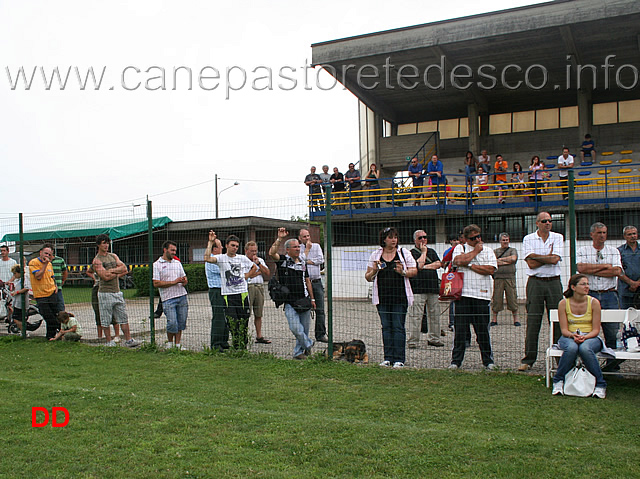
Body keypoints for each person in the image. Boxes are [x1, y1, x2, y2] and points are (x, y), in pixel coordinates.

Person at [365, 227, 417, 368]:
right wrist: (374, 270)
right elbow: (368, 277)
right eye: (390, 237)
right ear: (383, 239)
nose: (393, 240)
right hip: (382, 298)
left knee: (398, 327)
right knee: (386, 327)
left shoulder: (403, 253)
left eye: (395, 237)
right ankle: (388, 358)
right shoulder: (376, 255)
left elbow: (414, 270)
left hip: (399, 297)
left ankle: (399, 359)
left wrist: (403, 272)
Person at [518, 212, 563, 371]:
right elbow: (530, 264)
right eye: (544, 221)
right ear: (537, 223)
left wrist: (537, 257)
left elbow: (555, 259)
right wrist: (548, 257)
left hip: (553, 282)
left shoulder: (557, 237)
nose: (548, 223)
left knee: (557, 321)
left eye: (550, 221)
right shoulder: (528, 239)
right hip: (535, 282)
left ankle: (559, 358)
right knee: (533, 321)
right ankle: (529, 359)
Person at [449, 225, 497, 370]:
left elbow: (490, 269)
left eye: (478, 236)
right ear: (465, 239)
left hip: (482, 295)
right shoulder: (460, 248)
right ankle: (456, 361)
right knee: (460, 330)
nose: (477, 240)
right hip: (463, 295)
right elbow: (457, 261)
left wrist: (469, 265)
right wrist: (475, 252)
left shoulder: (488, 251)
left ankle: (488, 360)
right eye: (473, 238)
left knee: (482, 330)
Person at [552, 274, 606, 399]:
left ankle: (600, 384)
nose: (587, 286)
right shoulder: (563, 303)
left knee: (584, 348)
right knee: (571, 348)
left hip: (590, 337)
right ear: (573, 287)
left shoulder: (594, 302)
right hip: (570, 336)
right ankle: (558, 381)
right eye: (583, 284)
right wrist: (573, 336)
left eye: (587, 284)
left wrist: (585, 338)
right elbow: (564, 330)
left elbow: (596, 330)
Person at [204, 231, 258, 350]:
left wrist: (247, 276)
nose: (235, 248)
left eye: (237, 246)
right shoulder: (221, 258)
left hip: (241, 293)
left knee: (243, 320)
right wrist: (210, 242)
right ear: (227, 245)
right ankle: (227, 345)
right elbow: (207, 258)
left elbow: (254, 267)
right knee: (231, 321)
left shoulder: (242, 258)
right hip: (227, 294)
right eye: (232, 245)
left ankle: (241, 346)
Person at [269, 227, 316, 360]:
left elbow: (307, 281)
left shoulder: (302, 262)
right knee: (296, 328)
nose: (297, 249)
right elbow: (272, 253)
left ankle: (299, 353)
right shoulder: (283, 261)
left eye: (298, 247)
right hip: (290, 302)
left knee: (305, 329)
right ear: (288, 249)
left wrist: (312, 299)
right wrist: (279, 238)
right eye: (294, 247)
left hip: (304, 300)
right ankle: (308, 344)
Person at [576, 222, 622, 356]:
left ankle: (612, 365)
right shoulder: (583, 251)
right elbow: (581, 269)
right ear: (592, 234)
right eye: (599, 233)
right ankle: (588, 363)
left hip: (609, 294)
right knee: (586, 329)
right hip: (589, 295)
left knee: (612, 330)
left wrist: (593, 270)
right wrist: (606, 266)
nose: (602, 235)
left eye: (604, 232)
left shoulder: (613, 251)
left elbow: (617, 271)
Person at [92, 234, 139, 347]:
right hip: (105, 293)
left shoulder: (113, 256)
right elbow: (105, 277)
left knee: (123, 317)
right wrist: (117, 272)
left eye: (107, 243)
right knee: (106, 318)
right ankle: (109, 341)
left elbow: (124, 268)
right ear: (98, 245)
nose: (106, 245)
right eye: (104, 243)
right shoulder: (97, 260)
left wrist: (111, 271)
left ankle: (128, 340)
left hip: (117, 292)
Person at [407, 230, 443, 348]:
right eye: (420, 238)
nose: (423, 240)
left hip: (432, 288)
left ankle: (434, 338)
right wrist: (423, 253)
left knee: (434, 315)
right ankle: (413, 341)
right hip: (418, 289)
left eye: (425, 237)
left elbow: (438, 263)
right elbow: (418, 265)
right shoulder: (411, 253)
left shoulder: (432, 251)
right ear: (415, 240)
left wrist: (425, 267)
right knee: (416, 316)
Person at [153, 240, 189, 349]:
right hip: (168, 298)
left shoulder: (177, 263)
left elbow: (185, 278)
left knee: (181, 322)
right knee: (172, 322)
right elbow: (156, 283)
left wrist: (184, 281)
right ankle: (169, 343)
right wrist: (173, 282)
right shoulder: (157, 265)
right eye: (172, 250)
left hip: (182, 296)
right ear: (165, 250)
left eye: (175, 250)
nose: (174, 252)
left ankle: (177, 344)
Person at [298, 228, 328, 342]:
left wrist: (308, 261)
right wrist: (307, 256)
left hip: (316, 281)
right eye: (304, 236)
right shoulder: (299, 248)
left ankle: (320, 334)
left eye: (308, 236)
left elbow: (321, 259)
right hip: (304, 283)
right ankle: (303, 334)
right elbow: (300, 261)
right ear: (300, 238)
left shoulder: (316, 246)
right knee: (304, 308)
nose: (307, 238)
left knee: (320, 309)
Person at [28, 244, 60, 340]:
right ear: (40, 252)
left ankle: (51, 336)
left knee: (55, 314)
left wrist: (56, 286)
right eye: (46, 253)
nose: (47, 256)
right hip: (41, 294)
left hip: (51, 292)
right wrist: (45, 264)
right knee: (48, 315)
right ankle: (61, 329)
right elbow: (38, 276)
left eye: (50, 255)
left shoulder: (50, 264)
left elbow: (52, 276)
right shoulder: (34, 262)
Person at [205, 236, 229, 352]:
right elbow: (223, 271)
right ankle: (216, 343)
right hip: (216, 290)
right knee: (218, 317)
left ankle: (224, 340)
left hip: (224, 290)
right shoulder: (212, 260)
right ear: (214, 249)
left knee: (225, 316)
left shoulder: (220, 259)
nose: (222, 248)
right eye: (220, 246)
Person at [245, 240, 271, 344]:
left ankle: (259, 336)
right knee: (246, 312)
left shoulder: (260, 260)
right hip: (248, 287)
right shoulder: (243, 260)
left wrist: (258, 264)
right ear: (246, 251)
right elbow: (246, 275)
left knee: (258, 313)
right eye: (252, 251)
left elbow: (267, 272)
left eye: (255, 251)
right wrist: (257, 272)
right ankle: (244, 335)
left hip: (259, 286)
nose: (254, 253)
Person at [491, 233, 520, 327]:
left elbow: (513, 258)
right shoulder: (495, 251)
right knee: (497, 299)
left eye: (507, 240)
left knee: (512, 298)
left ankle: (516, 319)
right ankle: (494, 320)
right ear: (500, 241)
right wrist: (506, 261)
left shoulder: (513, 250)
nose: (505, 242)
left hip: (510, 278)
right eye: (503, 240)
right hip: (498, 278)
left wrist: (500, 261)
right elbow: (493, 262)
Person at [87, 264, 121, 342]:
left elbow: (123, 271)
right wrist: (94, 278)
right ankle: (100, 336)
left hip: (109, 288)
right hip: (97, 287)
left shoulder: (112, 262)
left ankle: (117, 335)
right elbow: (89, 272)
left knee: (111, 309)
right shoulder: (96, 263)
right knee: (97, 310)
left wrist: (114, 278)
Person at [618, 225, 640, 310]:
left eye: (634, 234)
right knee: (626, 315)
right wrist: (631, 283)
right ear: (624, 236)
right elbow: (618, 270)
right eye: (629, 234)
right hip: (625, 288)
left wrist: (637, 283)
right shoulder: (619, 251)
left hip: (639, 287)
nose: (632, 236)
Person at [8, 265, 30, 335]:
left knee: (16, 318)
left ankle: (24, 332)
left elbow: (27, 288)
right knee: (17, 318)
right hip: (17, 302)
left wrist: (17, 292)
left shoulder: (25, 278)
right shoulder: (18, 279)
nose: (14, 275)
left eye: (15, 273)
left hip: (21, 302)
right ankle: (22, 331)